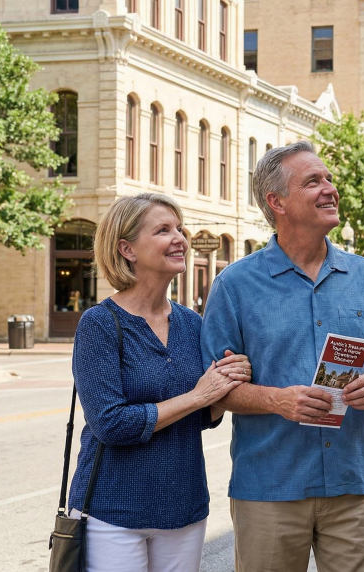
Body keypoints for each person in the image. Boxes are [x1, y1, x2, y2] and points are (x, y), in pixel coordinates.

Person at [200, 142, 364, 572]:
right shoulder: (235, 285)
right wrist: (277, 400)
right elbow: (213, 391)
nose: (330, 188)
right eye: (313, 181)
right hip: (270, 488)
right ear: (277, 202)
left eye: (328, 178)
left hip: (354, 484)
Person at [70, 193, 252, 571]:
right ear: (127, 249)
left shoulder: (192, 323)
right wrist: (198, 395)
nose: (180, 239)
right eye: (163, 230)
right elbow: (111, 424)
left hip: (184, 507)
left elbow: (202, 417)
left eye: (180, 229)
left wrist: (226, 383)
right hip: (112, 510)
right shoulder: (100, 324)